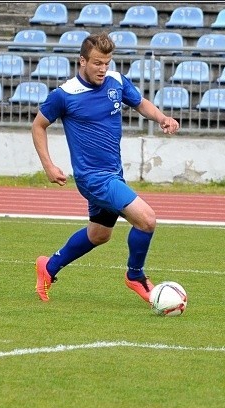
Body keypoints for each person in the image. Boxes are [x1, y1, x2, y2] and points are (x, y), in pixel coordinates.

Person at [31, 32, 180, 304]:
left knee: (99, 234)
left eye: (107, 63)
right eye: (97, 63)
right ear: (82, 61)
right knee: (146, 220)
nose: (103, 69)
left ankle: (48, 267)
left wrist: (161, 117)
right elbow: (38, 125)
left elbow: (140, 103)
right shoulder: (64, 95)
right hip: (93, 178)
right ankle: (135, 275)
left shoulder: (116, 82)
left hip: (113, 173)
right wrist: (48, 166)